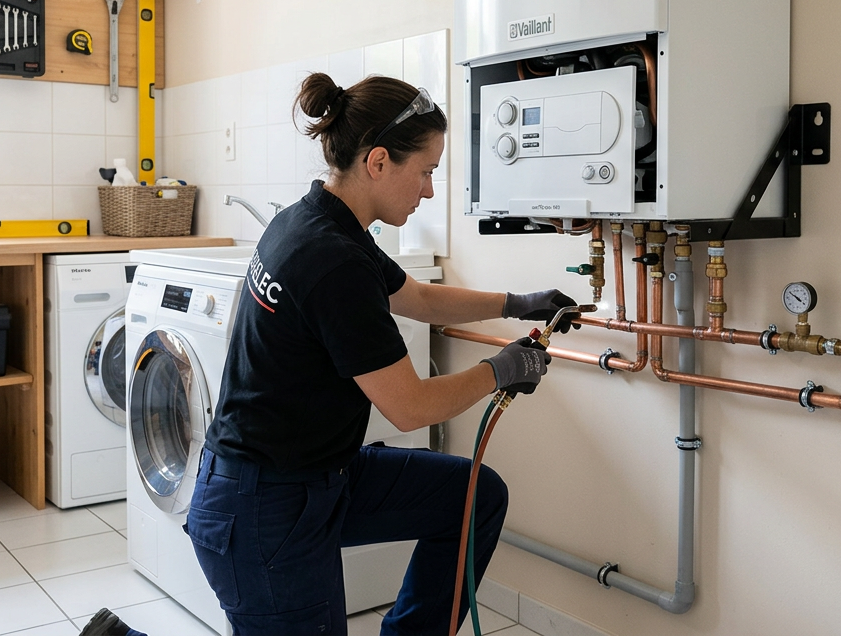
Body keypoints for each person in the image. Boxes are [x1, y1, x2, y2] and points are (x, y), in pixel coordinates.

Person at [184, 72, 579, 635]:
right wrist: (503, 369)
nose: (429, 191)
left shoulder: (319, 221)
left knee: (473, 498)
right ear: (377, 162)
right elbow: (411, 407)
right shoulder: (330, 260)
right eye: (425, 172)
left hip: (322, 476)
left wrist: (517, 302)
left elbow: (415, 297)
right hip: (263, 509)